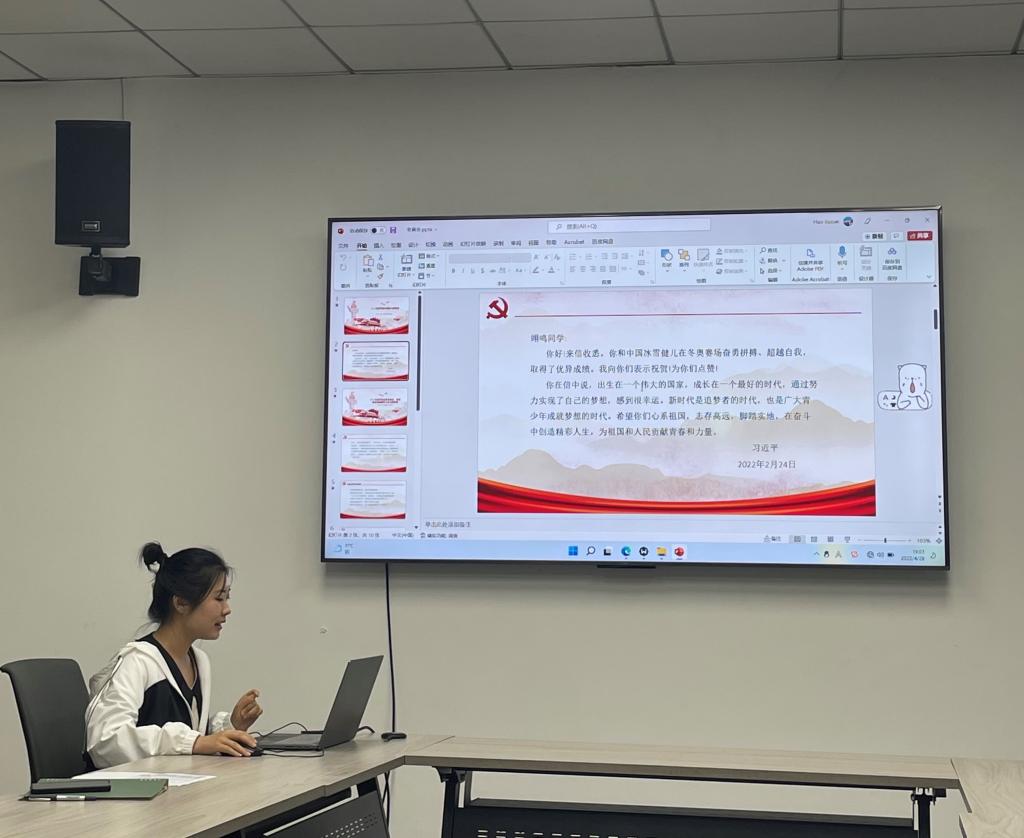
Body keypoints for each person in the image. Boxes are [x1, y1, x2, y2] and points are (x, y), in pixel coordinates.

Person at [85, 542, 263, 768]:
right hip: (132, 790)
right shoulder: (137, 661)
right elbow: (105, 743)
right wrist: (192, 742)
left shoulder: (199, 661)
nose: (227, 609)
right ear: (181, 603)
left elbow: (188, 743)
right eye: (219, 598)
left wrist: (231, 725)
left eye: (227, 597)